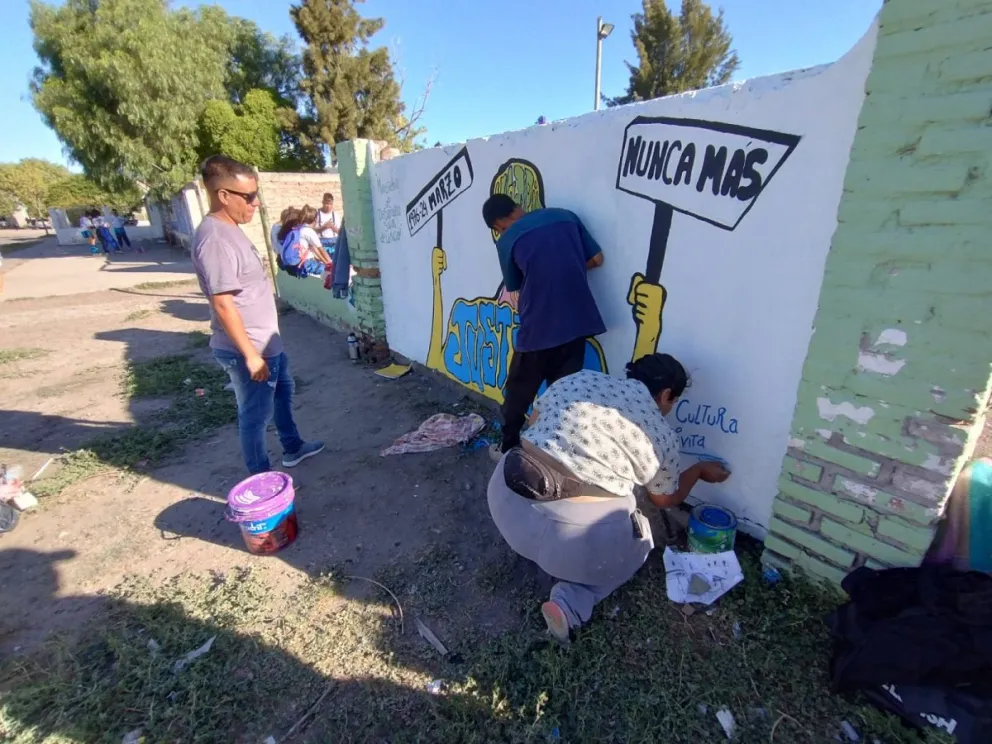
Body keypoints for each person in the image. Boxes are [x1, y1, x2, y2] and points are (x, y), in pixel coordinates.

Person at [487, 354, 731, 644]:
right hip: (567, 543)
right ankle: (572, 602)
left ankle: (527, 542)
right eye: (673, 402)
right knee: (639, 538)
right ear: (666, 395)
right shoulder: (661, 434)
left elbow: (535, 424)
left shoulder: (580, 378)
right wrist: (699, 471)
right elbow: (665, 499)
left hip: (505, 497)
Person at [190, 154, 324, 474]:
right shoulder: (215, 239)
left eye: (257, 196)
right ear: (223, 195)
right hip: (249, 349)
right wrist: (251, 355)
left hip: (266, 344)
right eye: (249, 197)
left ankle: (292, 447)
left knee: (282, 395)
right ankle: (261, 482)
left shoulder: (230, 229)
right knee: (255, 417)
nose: (256, 204)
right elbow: (223, 303)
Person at [481, 194, 606, 456]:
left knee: (519, 391)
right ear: (518, 206)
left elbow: (515, 284)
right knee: (565, 393)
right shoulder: (566, 215)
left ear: (499, 222)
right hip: (577, 320)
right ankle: (556, 453)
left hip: (539, 325)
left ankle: (508, 448)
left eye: (498, 228)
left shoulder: (508, 239)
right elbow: (596, 260)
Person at [276, 205, 333, 277]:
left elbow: (314, 249)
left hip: (296, 264)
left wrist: (325, 262)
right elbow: (321, 250)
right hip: (306, 264)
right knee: (331, 273)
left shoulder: (298, 228)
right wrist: (331, 264)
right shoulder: (309, 231)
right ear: (315, 219)